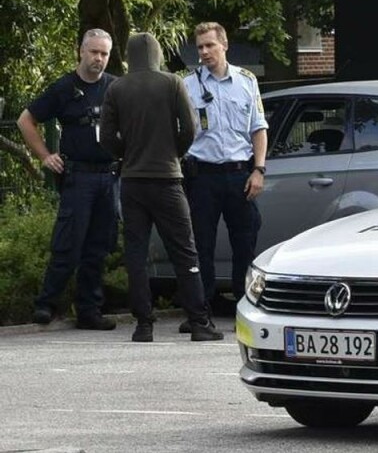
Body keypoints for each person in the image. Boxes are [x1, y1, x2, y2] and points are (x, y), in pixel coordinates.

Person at [99, 32, 223, 342]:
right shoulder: (172, 83)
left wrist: (125, 155)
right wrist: (175, 153)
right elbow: (190, 127)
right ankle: (198, 322)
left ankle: (144, 324)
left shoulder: (117, 87)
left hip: (132, 182)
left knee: (136, 255)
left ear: (129, 56)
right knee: (185, 251)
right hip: (168, 179)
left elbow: (105, 137)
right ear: (157, 54)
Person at [17, 28, 119, 330]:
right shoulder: (64, 87)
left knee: (98, 248)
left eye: (104, 53)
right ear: (81, 51)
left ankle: (89, 310)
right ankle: (46, 305)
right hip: (79, 178)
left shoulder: (115, 88)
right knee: (67, 245)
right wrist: (45, 156)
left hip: (108, 178)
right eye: (93, 52)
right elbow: (26, 120)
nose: (98, 58)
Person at [181, 22, 268, 331]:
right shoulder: (187, 85)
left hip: (238, 174)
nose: (204, 52)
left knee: (244, 244)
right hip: (202, 175)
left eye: (209, 45)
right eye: (200, 47)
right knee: (200, 245)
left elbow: (259, 127)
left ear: (224, 45)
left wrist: (259, 169)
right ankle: (200, 314)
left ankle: (243, 311)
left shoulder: (246, 81)